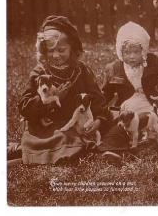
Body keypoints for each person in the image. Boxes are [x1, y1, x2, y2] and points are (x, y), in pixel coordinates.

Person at [15, 15, 111, 164]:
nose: (56, 55)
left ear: (72, 48)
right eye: (50, 51)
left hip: (76, 122)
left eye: (61, 50)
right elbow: (24, 105)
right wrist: (47, 101)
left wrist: (98, 120)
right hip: (48, 126)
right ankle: (29, 151)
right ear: (43, 51)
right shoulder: (40, 73)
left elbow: (97, 98)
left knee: (109, 125)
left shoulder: (81, 70)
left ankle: (31, 152)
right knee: (62, 137)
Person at [100, 21, 158, 156]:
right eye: (127, 52)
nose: (131, 56)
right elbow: (105, 92)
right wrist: (101, 106)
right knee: (122, 125)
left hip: (155, 101)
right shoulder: (114, 69)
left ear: (143, 50)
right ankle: (113, 149)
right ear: (120, 52)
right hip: (131, 105)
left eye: (136, 52)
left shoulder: (157, 63)